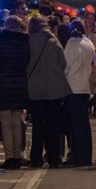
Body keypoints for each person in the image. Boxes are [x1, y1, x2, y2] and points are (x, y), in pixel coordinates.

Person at [0, 15, 31, 170]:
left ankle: (9, 156)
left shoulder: (0, 40)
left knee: (5, 122)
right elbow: (28, 62)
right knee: (17, 121)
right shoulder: (26, 41)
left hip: (3, 83)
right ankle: (18, 156)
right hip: (20, 83)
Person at [27, 16, 72, 168]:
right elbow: (63, 63)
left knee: (37, 126)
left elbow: (26, 64)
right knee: (53, 125)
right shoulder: (54, 41)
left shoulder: (29, 41)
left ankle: (36, 158)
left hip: (35, 90)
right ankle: (54, 158)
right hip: (54, 90)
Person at [63, 20, 95, 166]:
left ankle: (77, 156)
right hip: (86, 87)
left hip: (73, 88)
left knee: (75, 126)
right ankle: (86, 156)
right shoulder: (88, 43)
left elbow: (66, 66)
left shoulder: (71, 44)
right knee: (84, 125)